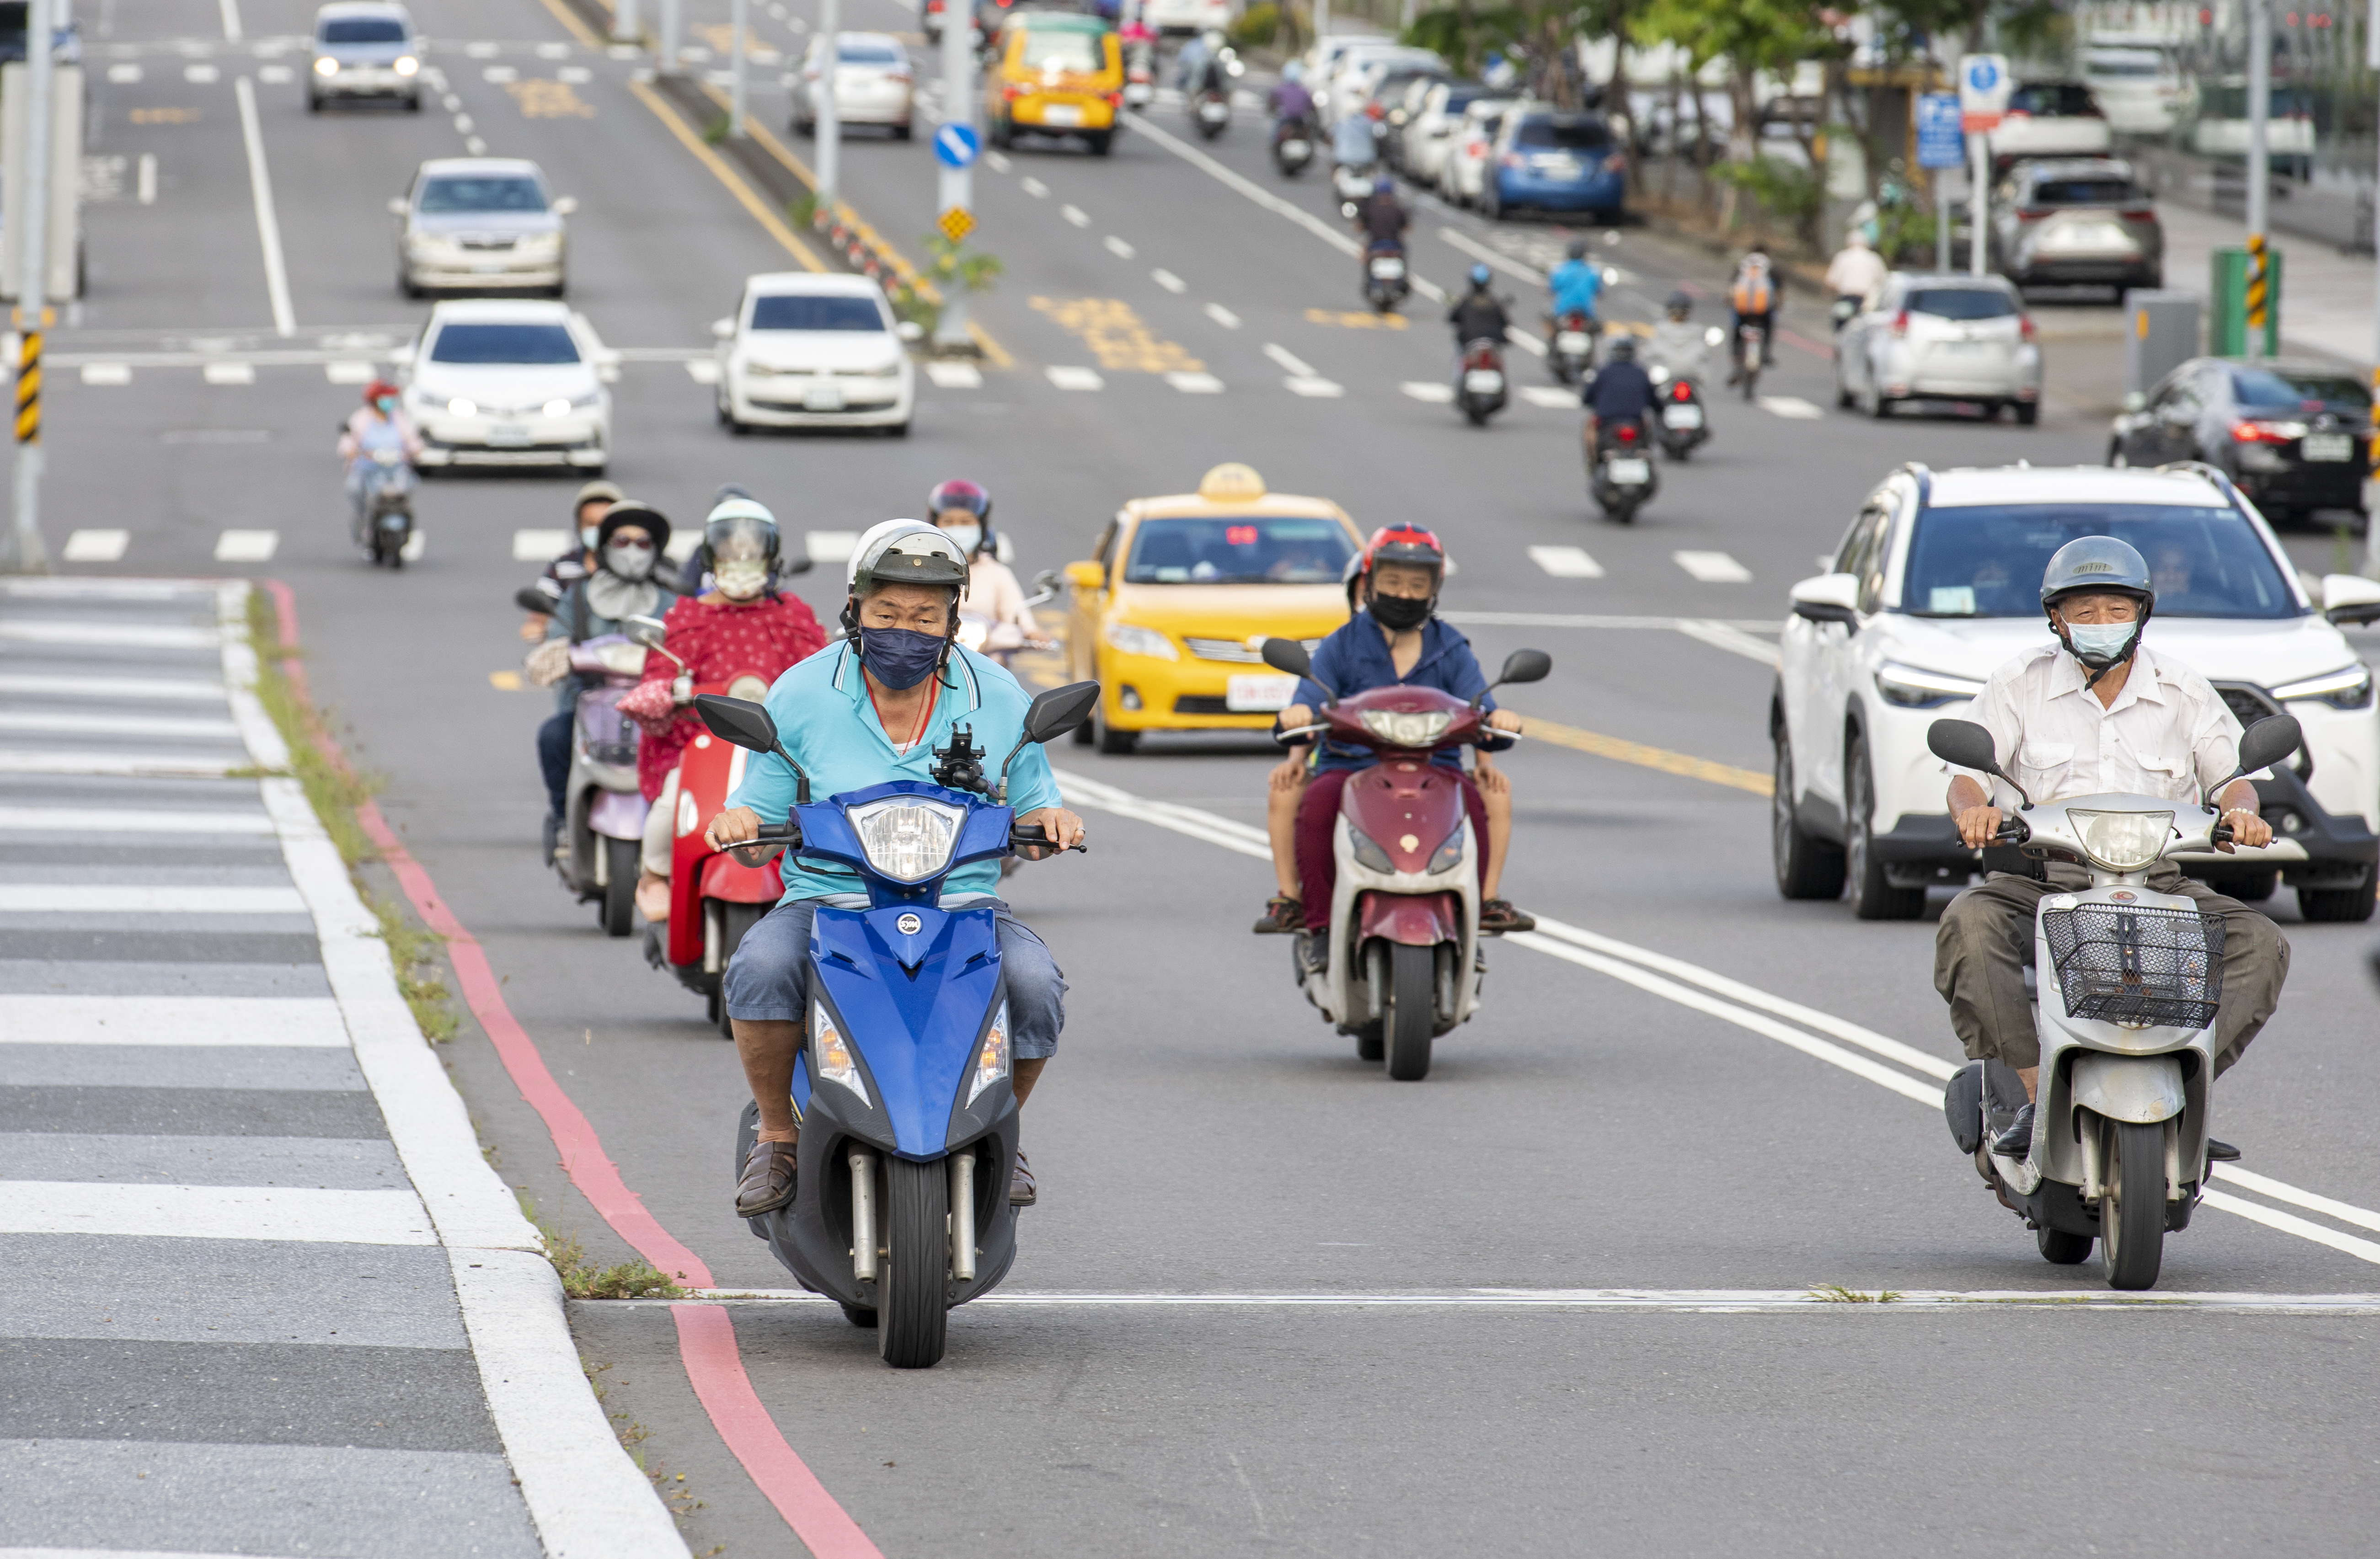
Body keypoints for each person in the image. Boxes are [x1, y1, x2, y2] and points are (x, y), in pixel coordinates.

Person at [708, 523, 1086, 1216]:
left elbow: (1036, 808)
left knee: (1034, 984)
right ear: (855, 608)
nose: (904, 631)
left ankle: (1003, 1126)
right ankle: (778, 1133)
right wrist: (738, 826)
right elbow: (755, 818)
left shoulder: (998, 695)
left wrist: (1053, 825)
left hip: (963, 905)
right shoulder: (802, 692)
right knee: (759, 967)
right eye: (887, 614)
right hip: (829, 901)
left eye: (924, 617)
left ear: (952, 620)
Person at [1934, 536, 2286, 1163]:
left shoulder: (2182, 689)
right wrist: (1975, 812)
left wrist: (2240, 812)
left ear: (2142, 614)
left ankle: (2182, 1086)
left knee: (2260, 942)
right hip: (2047, 878)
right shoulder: (2020, 682)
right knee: (1969, 921)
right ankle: (2026, 1092)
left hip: (2159, 880)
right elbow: (1968, 775)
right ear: (2056, 619)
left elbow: (2232, 775)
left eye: (2116, 610)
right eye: (2084, 611)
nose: (2101, 624)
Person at [1259, 527, 1535, 950]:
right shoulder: (1340, 645)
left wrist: (1498, 724)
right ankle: (1315, 923)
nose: (1403, 594)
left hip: (1436, 768)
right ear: (1369, 583)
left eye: (1416, 585)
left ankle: (1478, 906)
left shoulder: (1452, 648)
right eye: (1391, 582)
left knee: (1477, 804)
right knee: (1315, 807)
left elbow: (1479, 706)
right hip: (1349, 767)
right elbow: (1310, 700)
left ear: (1433, 590)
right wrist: (1297, 722)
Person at [616, 497, 827, 924]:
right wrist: (668, 692)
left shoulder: (792, 616)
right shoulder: (689, 616)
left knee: (820, 811)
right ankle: (655, 874)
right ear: (712, 556)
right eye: (731, 553)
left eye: (752, 553)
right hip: (702, 741)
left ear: (771, 556)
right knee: (672, 803)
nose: (742, 561)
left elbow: (821, 670)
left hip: (777, 747)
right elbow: (658, 673)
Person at [527, 502, 679, 865]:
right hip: (587, 707)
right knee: (553, 736)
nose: (632, 551)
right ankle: (564, 820)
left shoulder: (673, 602)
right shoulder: (578, 597)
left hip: (654, 714)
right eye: (622, 541)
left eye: (643, 544)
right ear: (605, 547)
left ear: (656, 551)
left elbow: (688, 647)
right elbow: (556, 637)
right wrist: (556, 657)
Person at [928, 477, 1041, 649]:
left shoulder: (997, 573)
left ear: (981, 525)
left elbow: (1020, 620)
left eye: (966, 522)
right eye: (949, 522)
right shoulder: (923, 569)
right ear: (935, 524)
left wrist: (1032, 633)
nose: (957, 528)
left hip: (986, 659)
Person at [520, 480, 625, 644]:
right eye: (590, 524)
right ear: (578, 525)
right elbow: (538, 618)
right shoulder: (563, 567)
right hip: (573, 651)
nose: (598, 531)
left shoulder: (634, 568)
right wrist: (536, 627)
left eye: (604, 524)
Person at [335, 380, 423, 554]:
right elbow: (348, 442)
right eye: (386, 398)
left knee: (410, 484)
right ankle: (364, 523)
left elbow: (413, 441)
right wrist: (353, 451)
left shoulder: (399, 418)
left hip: (396, 468)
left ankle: (405, 517)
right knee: (354, 488)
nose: (390, 402)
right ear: (375, 400)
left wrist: (416, 450)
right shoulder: (361, 418)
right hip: (368, 469)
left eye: (392, 398)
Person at [1580, 335, 1654, 460]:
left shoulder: (1603, 372)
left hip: (1607, 423)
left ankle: (1593, 461)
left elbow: (1588, 398)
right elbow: (1654, 401)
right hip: (1636, 422)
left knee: (1590, 427)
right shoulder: (1641, 372)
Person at [1726, 245, 1777, 384]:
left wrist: (1730, 303)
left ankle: (1736, 356)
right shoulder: (1771, 269)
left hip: (1742, 310)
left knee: (1737, 330)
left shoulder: (1743, 266)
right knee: (1768, 327)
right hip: (1762, 312)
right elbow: (1777, 292)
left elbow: (1732, 288)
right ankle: (1766, 353)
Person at [1644, 291, 1710, 384]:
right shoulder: (1697, 330)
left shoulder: (1660, 328)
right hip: (1692, 375)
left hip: (1668, 376)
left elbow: (1649, 353)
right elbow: (1704, 354)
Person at [1824, 229, 1887, 325]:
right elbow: (1884, 280)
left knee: (1841, 327)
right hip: (1867, 301)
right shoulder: (1874, 258)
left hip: (1846, 299)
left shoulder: (1843, 257)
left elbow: (1831, 281)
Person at [1546, 238, 1604, 339]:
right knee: (1596, 329)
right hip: (1587, 313)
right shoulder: (1593, 272)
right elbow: (1600, 292)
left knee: (1549, 324)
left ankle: (1552, 345)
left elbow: (1552, 290)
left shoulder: (1560, 270)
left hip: (1562, 311)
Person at [1447, 263, 1508, 349]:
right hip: (1490, 344)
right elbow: (1506, 323)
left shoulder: (1466, 301)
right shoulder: (1494, 303)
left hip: (1470, 342)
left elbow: (1452, 318)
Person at [1268, 59, 1315, 135]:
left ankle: (1274, 144)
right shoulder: (1304, 90)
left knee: (1275, 131)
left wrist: (1271, 111)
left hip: (1286, 119)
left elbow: (1272, 103)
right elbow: (1311, 106)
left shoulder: (1280, 89)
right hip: (1300, 120)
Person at [1332, 101, 1381, 172]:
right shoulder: (1369, 122)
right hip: (1367, 159)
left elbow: (1330, 136)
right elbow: (1379, 134)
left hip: (1344, 159)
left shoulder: (1342, 122)